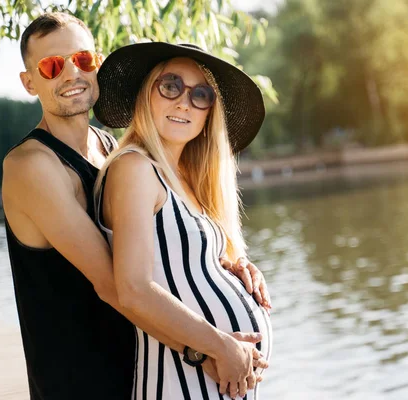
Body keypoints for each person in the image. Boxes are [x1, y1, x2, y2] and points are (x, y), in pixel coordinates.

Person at [2, 12, 271, 399]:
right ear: (30, 82)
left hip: (137, 368)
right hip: (80, 380)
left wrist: (224, 264)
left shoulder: (110, 149)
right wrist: (208, 349)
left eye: (81, 60)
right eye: (51, 66)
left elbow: (160, 247)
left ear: (96, 62)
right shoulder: (31, 166)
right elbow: (114, 284)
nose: (70, 75)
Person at [92, 42, 273, 400]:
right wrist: (221, 346)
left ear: (210, 112)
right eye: (171, 85)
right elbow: (133, 290)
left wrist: (235, 268)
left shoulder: (185, 178)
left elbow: (182, 262)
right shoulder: (135, 167)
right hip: (178, 385)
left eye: (201, 94)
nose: (183, 102)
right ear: (147, 93)